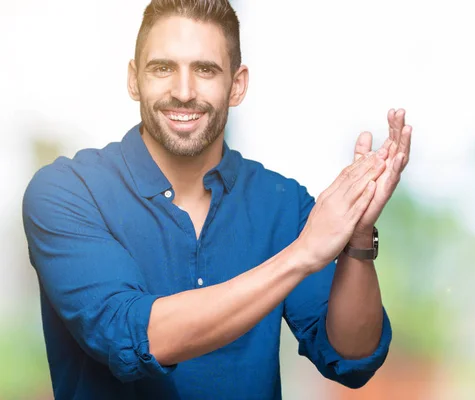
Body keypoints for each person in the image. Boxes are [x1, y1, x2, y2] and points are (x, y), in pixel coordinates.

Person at [21, 0, 412, 399]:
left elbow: (352, 354)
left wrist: (359, 240)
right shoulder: (68, 192)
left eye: (205, 70)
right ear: (134, 79)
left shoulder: (282, 203)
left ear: (237, 85)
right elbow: (131, 335)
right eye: (163, 68)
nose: (184, 92)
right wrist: (301, 255)